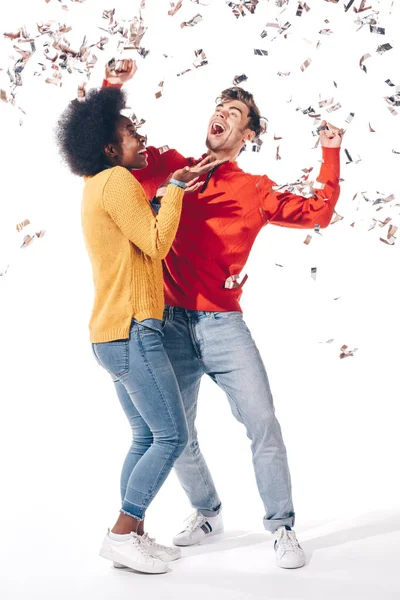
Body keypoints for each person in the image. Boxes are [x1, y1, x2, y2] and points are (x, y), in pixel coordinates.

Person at [104, 59, 343, 569]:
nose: (222, 114)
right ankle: (206, 510)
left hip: (222, 324)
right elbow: (105, 155)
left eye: (234, 112)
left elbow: (319, 211)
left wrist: (329, 151)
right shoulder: (166, 165)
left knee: (261, 421)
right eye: (219, 107)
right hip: (164, 322)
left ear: (248, 134)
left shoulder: (254, 189)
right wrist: (112, 87)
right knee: (177, 431)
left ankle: (282, 528)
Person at [56, 86, 221, 574]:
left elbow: (136, 235)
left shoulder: (96, 184)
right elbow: (154, 244)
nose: (140, 135)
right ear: (110, 148)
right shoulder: (118, 182)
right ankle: (121, 533)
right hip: (133, 328)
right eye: (130, 132)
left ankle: (136, 536)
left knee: (145, 437)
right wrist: (171, 191)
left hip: (111, 333)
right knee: (170, 436)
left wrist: (171, 186)